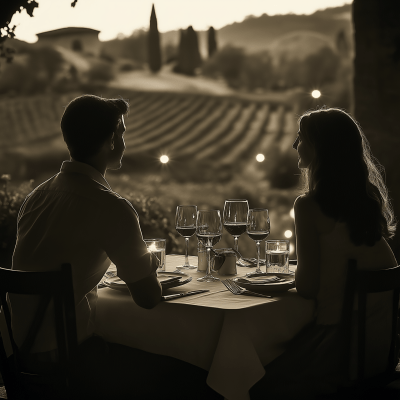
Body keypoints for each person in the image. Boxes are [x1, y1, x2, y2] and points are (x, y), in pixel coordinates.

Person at [9, 94, 222, 400]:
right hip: (70, 364)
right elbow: (148, 298)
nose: (124, 140)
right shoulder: (110, 207)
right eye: (122, 132)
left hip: (16, 356)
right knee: (196, 378)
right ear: (110, 141)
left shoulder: (37, 197)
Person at [250, 107, 398, 399]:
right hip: (381, 353)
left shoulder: (308, 205)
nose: (294, 145)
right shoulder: (362, 205)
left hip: (339, 351)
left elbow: (307, 287)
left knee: (253, 380)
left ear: (321, 148)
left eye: (300, 137)